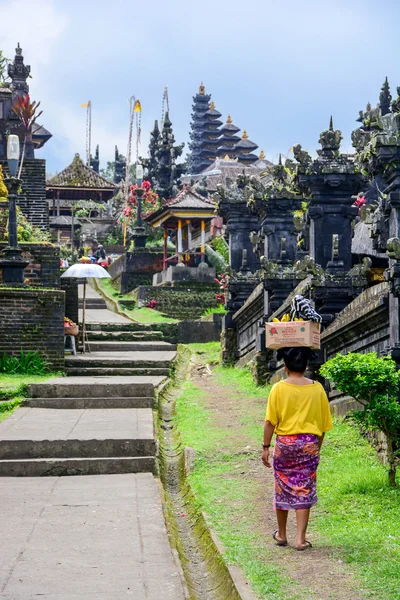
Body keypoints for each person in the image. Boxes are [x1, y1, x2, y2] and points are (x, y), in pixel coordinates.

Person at [262, 347, 332, 551]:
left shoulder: (278, 389)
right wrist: (315, 448)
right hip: (309, 444)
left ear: (285, 366)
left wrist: (266, 447)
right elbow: (323, 426)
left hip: (285, 444)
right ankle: (301, 539)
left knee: (282, 487)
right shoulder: (317, 388)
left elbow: (269, 422)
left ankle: (282, 534)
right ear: (306, 365)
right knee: (304, 488)